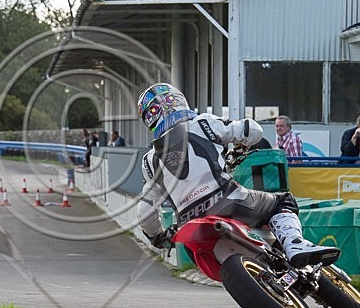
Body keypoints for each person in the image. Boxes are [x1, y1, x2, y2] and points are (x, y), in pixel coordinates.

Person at [135, 82, 340, 275]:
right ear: (178, 101)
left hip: (189, 227)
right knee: (283, 201)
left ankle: (255, 287)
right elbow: (253, 130)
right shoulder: (203, 123)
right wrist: (243, 144)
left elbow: (144, 212)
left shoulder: (149, 161)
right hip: (228, 201)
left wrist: (158, 237)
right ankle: (295, 244)